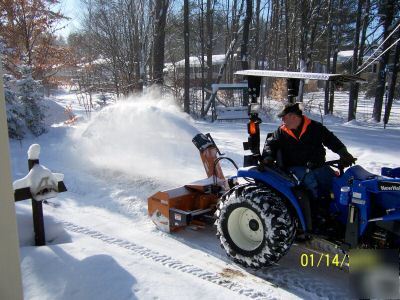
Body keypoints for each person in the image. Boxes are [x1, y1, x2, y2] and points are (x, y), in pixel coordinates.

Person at [261, 102, 356, 200]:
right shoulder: (281, 132)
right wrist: (268, 157)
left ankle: (336, 205)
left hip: (317, 165)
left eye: (284, 117)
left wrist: (343, 153)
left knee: (334, 181)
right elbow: (270, 145)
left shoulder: (315, 127)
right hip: (293, 168)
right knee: (311, 181)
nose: (282, 120)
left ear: (293, 117)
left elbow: (331, 140)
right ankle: (316, 210)